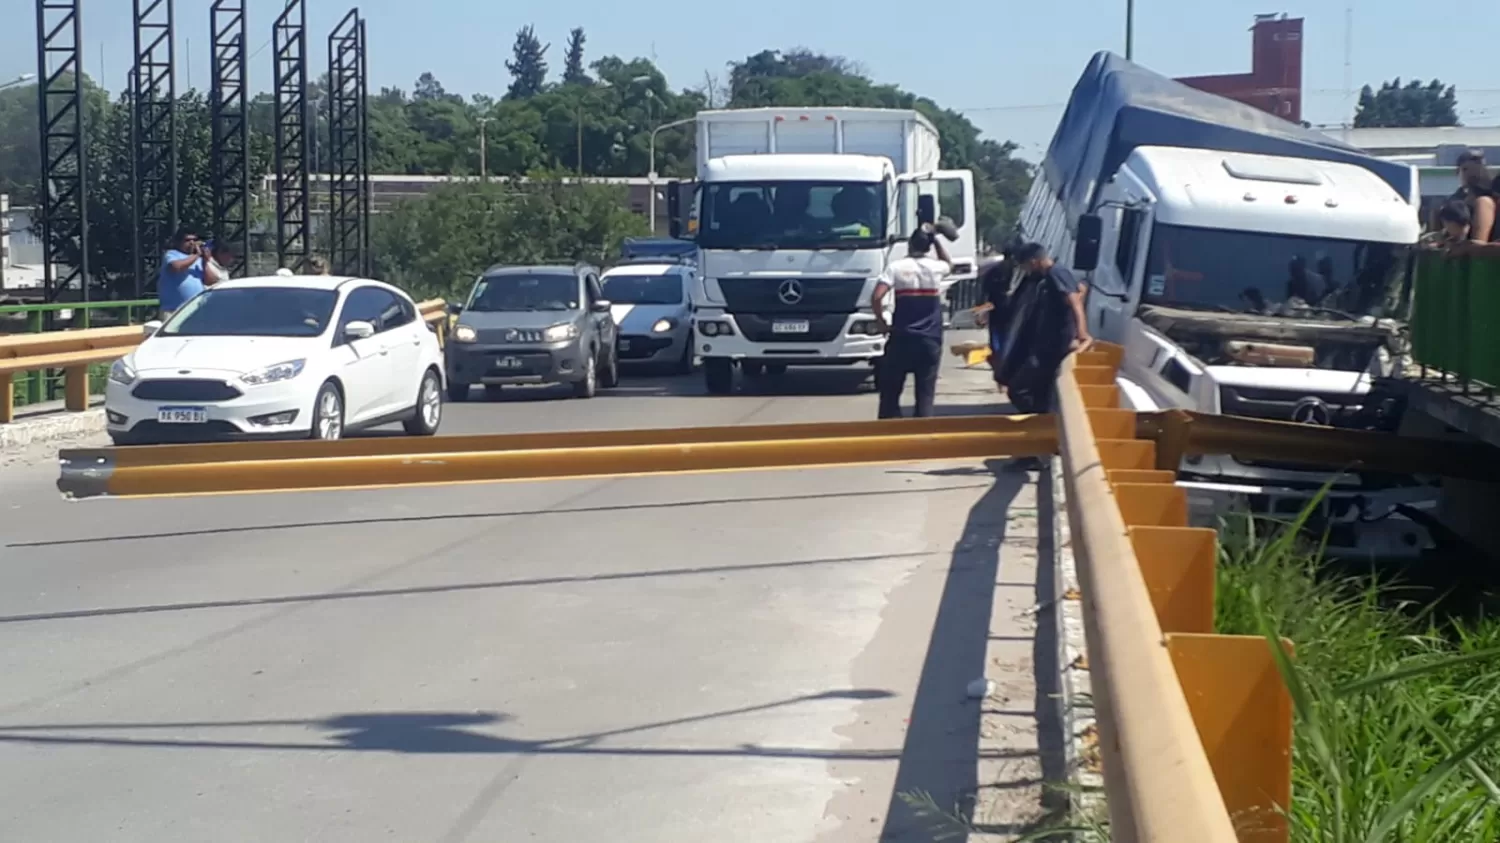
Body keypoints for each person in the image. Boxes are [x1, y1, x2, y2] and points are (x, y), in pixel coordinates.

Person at [995, 242, 1093, 416]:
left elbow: (1074, 302)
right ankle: (1044, 419)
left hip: (1052, 346)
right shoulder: (1047, 277)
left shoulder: (1056, 273)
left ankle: (1042, 419)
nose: (1025, 270)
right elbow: (1077, 292)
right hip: (1044, 344)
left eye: (1025, 265)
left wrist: (1082, 334)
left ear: (1033, 261)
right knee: (1041, 390)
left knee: (1018, 389)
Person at [871, 224, 953, 419]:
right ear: (929, 247)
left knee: (890, 393)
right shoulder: (936, 268)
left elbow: (876, 296)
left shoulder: (896, 267)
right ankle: (922, 438)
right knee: (925, 393)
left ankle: (890, 435)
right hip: (930, 339)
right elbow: (949, 264)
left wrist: (881, 321)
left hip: (901, 338)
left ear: (909, 245)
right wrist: (937, 241)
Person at [975, 252, 1015, 395]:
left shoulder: (993, 271)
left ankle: (1001, 381)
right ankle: (1006, 381)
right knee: (1008, 348)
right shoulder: (1020, 272)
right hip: (1013, 316)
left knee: (997, 348)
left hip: (996, 315)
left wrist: (981, 313)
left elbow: (984, 296)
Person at [157, 228, 206, 318]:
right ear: (178, 242)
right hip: (174, 310)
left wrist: (207, 259)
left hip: (196, 309)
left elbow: (210, 280)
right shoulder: (172, 254)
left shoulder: (198, 260)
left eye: (194, 240)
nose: (192, 243)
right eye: (187, 240)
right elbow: (177, 267)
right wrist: (196, 255)